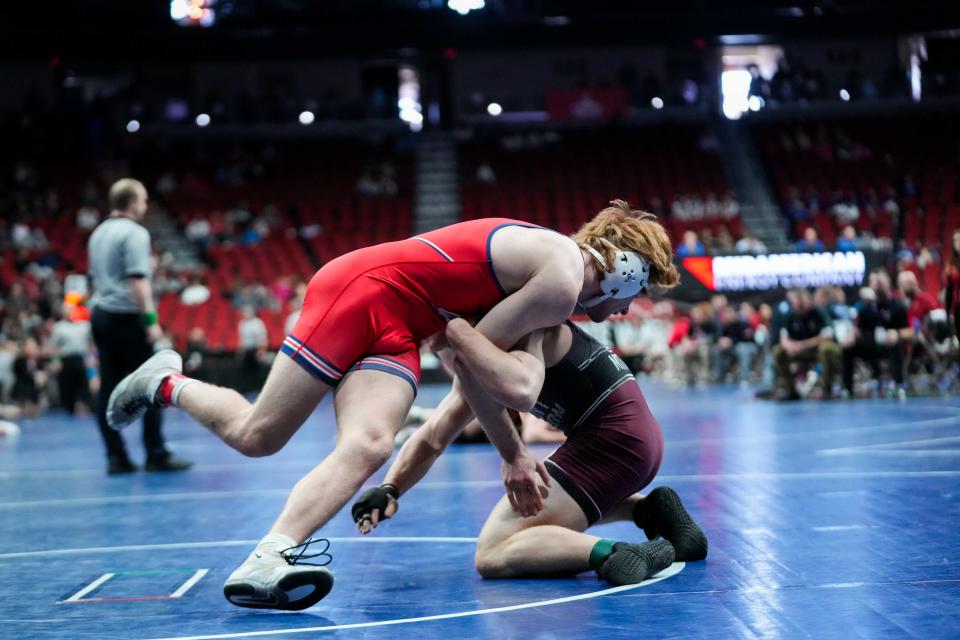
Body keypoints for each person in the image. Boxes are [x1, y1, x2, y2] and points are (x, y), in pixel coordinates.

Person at [106, 200, 680, 610]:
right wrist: (512, 454)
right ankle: (167, 383)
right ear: (624, 270)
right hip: (365, 291)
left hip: (404, 325)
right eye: (640, 293)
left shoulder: (555, 280)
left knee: (372, 445)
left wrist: (502, 453)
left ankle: (267, 558)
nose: (630, 309)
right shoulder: (558, 280)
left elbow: (470, 362)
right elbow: (474, 361)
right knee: (260, 436)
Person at [352, 319, 707, 586]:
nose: (441, 358)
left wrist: (514, 455)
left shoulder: (519, 325)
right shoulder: (494, 344)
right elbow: (432, 437)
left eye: (437, 348)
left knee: (494, 551)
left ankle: (616, 554)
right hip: (630, 435)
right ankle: (648, 511)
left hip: (613, 441)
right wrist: (390, 488)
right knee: (540, 519)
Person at [87, 178, 192, 475]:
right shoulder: (135, 232)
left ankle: (116, 457)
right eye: (144, 200)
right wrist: (150, 321)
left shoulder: (98, 233)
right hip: (128, 316)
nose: (145, 206)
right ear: (132, 203)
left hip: (102, 315)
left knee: (108, 386)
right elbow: (136, 279)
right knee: (153, 382)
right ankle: (155, 453)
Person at [842, 270, 909, 399]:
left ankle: (898, 384)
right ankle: (847, 388)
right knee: (848, 347)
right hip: (872, 345)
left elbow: (909, 330)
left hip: (890, 344)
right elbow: (859, 329)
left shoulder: (897, 305)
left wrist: (897, 333)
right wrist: (851, 336)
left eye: (881, 282)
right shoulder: (867, 307)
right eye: (875, 283)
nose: (878, 285)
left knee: (895, 344)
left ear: (888, 284)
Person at [772, 288, 839, 401]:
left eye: (797, 301)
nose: (795, 304)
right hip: (798, 350)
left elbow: (827, 335)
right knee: (778, 351)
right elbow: (783, 338)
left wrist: (803, 345)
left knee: (826, 348)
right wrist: (790, 346)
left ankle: (826, 388)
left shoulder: (818, 311)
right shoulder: (790, 315)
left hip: (816, 349)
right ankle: (791, 390)